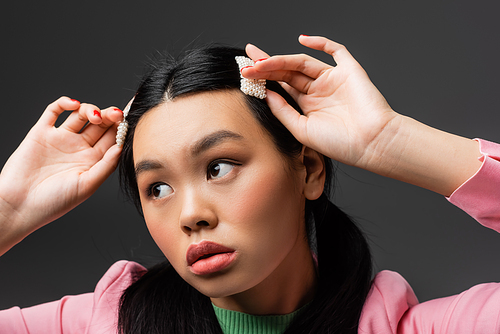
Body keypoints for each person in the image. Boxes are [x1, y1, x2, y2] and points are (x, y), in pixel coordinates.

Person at [0, 35, 498, 333]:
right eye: (158, 188)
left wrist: (390, 140)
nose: (190, 213)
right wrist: (9, 209)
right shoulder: (100, 325)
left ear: (308, 170)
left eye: (218, 167)